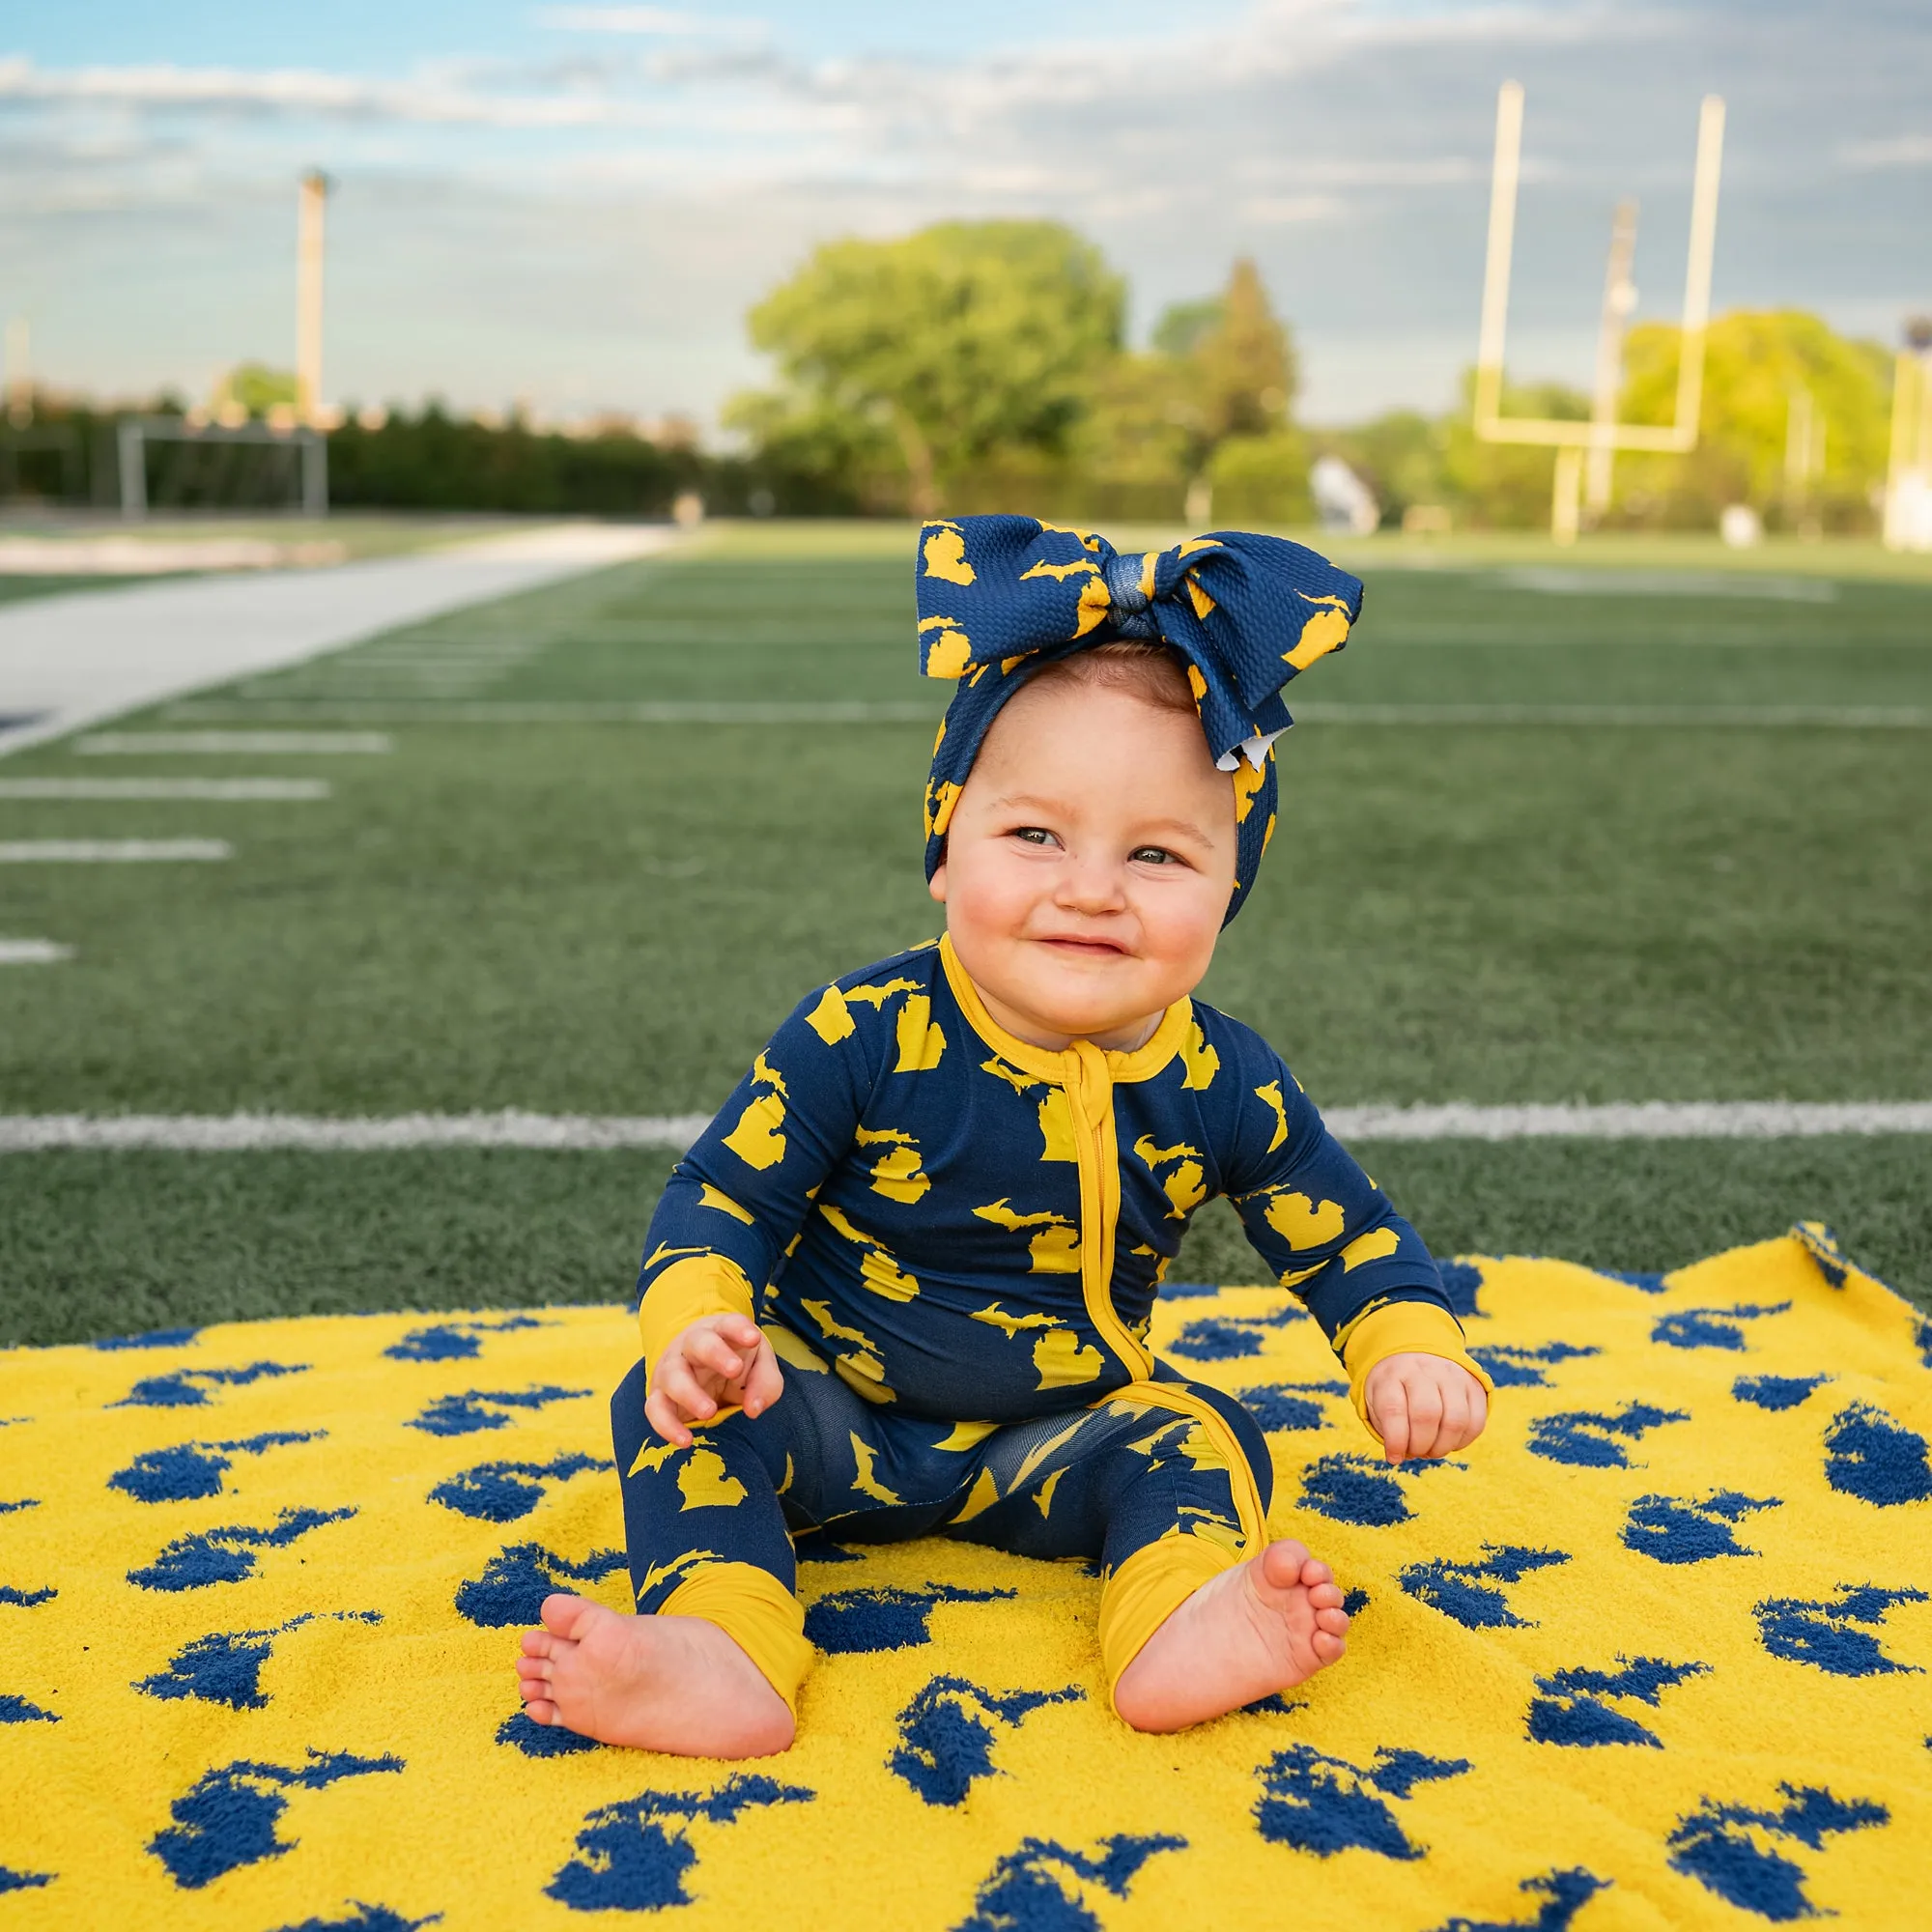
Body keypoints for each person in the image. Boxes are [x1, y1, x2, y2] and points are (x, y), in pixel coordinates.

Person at [516, 515, 1492, 1758]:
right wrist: (696, 1332)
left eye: (1156, 852)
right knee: (674, 1424)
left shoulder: (1221, 1074)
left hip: (1060, 1441)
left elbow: (1342, 1229)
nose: (1090, 886)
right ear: (944, 843)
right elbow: (721, 1197)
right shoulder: (859, 1028)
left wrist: (1405, 1343)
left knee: (1202, 1435)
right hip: (830, 1414)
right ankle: (722, 1640)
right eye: (1035, 835)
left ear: (1228, 888)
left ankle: (1174, 1620)